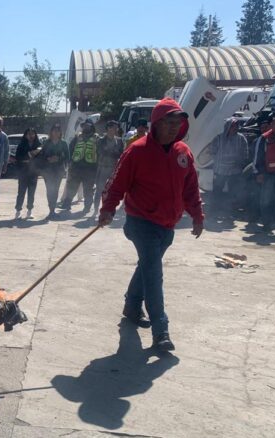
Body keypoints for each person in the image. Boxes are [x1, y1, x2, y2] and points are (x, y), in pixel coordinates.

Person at [99, 98, 204, 351]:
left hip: (167, 225)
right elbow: (117, 183)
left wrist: (197, 215)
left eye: (177, 122)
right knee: (154, 274)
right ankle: (161, 330)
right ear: (156, 123)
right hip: (141, 222)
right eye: (168, 122)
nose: (172, 127)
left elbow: (190, 188)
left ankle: (132, 305)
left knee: (147, 266)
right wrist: (108, 208)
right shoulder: (137, 151)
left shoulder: (183, 153)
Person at [209, 118, 249, 215]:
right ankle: (215, 211)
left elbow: (245, 152)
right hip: (220, 170)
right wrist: (218, 160)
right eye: (232, 126)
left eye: (236, 126)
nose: (235, 128)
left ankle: (230, 212)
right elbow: (212, 151)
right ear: (227, 127)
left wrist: (240, 162)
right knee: (217, 191)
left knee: (233, 192)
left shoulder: (241, 138)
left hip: (235, 171)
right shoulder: (218, 138)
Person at [62, 119, 99, 215]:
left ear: (91, 127)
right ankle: (67, 203)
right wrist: (70, 162)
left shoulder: (97, 138)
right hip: (76, 167)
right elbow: (70, 149)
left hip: (90, 168)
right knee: (72, 186)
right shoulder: (77, 137)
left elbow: (99, 153)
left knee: (88, 189)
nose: (85, 127)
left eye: (87, 125)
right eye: (84, 126)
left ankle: (87, 207)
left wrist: (98, 166)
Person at [34, 124, 69, 219]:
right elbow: (41, 156)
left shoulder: (63, 143)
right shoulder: (46, 143)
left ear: (60, 132)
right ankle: (51, 210)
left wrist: (58, 158)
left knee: (56, 190)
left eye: (58, 130)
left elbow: (67, 157)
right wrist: (48, 159)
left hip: (59, 170)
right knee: (50, 190)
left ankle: (53, 211)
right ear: (51, 131)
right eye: (54, 130)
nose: (56, 132)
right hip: (47, 171)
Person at [93, 120, 124, 215]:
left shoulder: (119, 141)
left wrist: (112, 152)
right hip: (103, 168)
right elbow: (99, 152)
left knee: (111, 191)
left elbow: (121, 154)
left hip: (113, 169)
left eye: (116, 128)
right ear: (108, 128)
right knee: (99, 190)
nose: (115, 129)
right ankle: (95, 210)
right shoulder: (101, 140)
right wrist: (111, 152)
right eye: (113, 127)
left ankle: (106, 209)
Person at [11, 128, 41, 220]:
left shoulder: (39, 146)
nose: (31, 136)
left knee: (31, 193)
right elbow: (18, 158)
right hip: (23, 172)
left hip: (33, 173)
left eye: (33, 134)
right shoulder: (21, 145)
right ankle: (18, 211)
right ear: (26, 135)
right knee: (21, 192)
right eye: (29, 134)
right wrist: (30, 154)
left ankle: (30, 211)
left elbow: (41, 159)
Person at [247, 116, 272, 225]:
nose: (264, 129)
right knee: (256, 195)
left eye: (266, 127)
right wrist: (258, 172)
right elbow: (254, 157)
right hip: (259, 172)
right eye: (262, 128)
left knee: (269, 197)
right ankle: (254, 217)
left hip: (272, 173)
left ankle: (267, 218)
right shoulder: (258, 141)